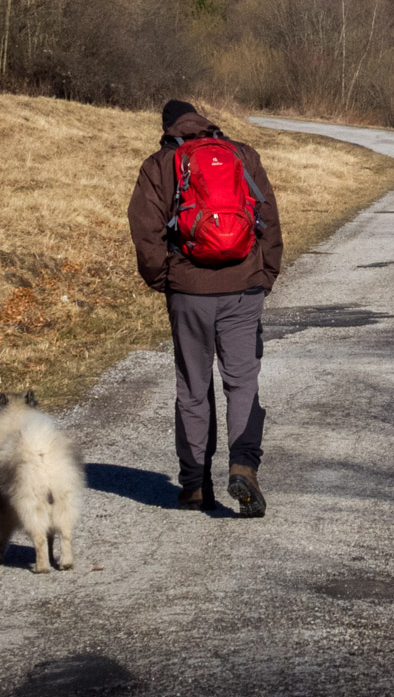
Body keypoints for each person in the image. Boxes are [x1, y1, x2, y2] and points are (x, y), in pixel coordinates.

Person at [127, 99, 283, 516]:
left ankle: (195, 485)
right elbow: (268, 216)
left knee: (193, 387)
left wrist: (166, 280)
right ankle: (244, 465)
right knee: (242, 380)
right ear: (204, 120)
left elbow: (146, 233)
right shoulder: (241, 155)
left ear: (167, 127)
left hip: (188, 290)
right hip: (244, 286)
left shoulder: (160, 163)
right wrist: (265, 274)